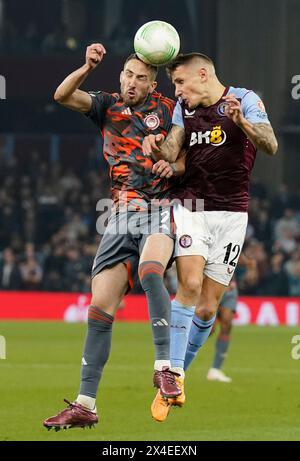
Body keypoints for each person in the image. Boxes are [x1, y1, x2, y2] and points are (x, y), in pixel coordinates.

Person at [43, 43, 186, 430]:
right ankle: (86, 404)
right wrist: (87, 67)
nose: (132, 82)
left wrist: (170, 165)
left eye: (141, 77)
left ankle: (165, 369)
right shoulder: (106, 105)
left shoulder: (169, 109)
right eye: (127, 74)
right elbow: (61, 95)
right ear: (119, 76)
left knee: (151, 272)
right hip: (119, 216)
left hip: (159, 208)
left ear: (153, 82)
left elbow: (185, 157)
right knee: (100, 308)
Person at [143, 52, 278, 421]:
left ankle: (176, 376)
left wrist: (242, 123)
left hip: (233, 215)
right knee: (187, 284)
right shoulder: (182, 112)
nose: (177, 91)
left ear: (202, 74)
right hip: (193, 206)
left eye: (181, 83)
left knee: (207, 307)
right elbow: (173, 147)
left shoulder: (245, 100)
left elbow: (270, 143)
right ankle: (169, 372)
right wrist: (158, 147)